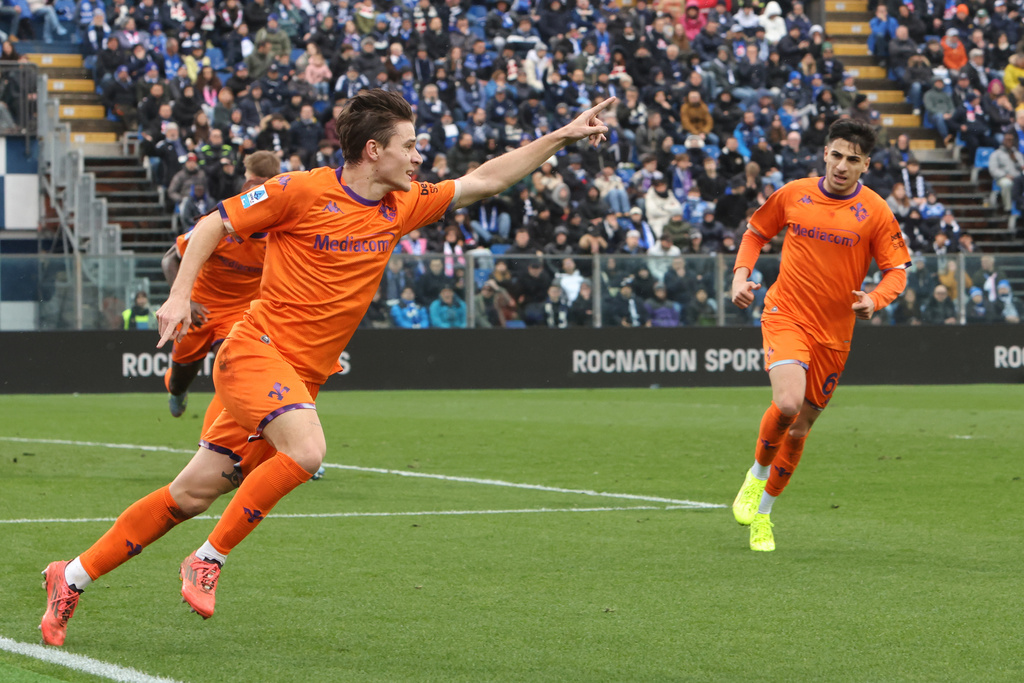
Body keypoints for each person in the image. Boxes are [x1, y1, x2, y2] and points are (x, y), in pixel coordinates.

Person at [39, 89, 617, 646]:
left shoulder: (402, 205)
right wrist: (179, 296)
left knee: (190, 495)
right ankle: (207, 559)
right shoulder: (298, 190)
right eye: (410, 145)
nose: (419, 156)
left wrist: (563, 135)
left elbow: (488, 177)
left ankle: (70, 578)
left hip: (299, 376)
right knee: (308, 452)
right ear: (374, 150)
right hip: (254, 353)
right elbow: (212, 225)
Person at [729, 119, 911, 552]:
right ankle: (755, 479)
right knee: (788, 403)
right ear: (825, 154)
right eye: (836, 155)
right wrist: (740, 277)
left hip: (835, 332)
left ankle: (764, 516)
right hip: (786, 312)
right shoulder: (795, 193)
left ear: (866, 164)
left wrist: (875, 301)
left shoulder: (877, 212)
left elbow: (897, 271)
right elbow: (756, 233)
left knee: (799, 429)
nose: (842, 165)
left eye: (852, 159)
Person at [160, 151, 280, 419]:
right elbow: (170, 259)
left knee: (231, 366)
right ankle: (177, 390)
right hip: (199, 310)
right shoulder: (218, 224)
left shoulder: (280, 234)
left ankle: (253, 434)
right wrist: (184, 300)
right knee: (181, 378)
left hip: (240, 313)